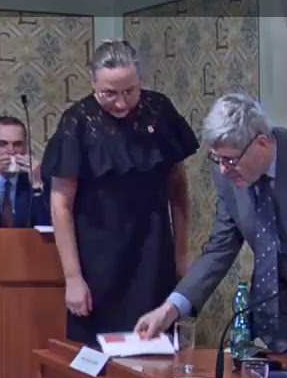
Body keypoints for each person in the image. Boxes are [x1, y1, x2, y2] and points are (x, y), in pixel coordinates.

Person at [134, 93, 287, 374]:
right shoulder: (226, 174)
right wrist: (171, 307)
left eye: (230, 160)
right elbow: (220, 246)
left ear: (262, 143)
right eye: (217, 159)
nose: (223, 169)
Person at [41, 40, 197, 344]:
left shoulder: (159, 110)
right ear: (93, 82)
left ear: (140, 80)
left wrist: (181, 253)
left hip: (153, 249)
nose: (122, 103)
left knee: (155, 345)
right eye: (109, 94)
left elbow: (178, 187)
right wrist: (73, 277)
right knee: (97, 350)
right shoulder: (78, 121)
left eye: (130, 91)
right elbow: (61, 205)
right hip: (98, 255)